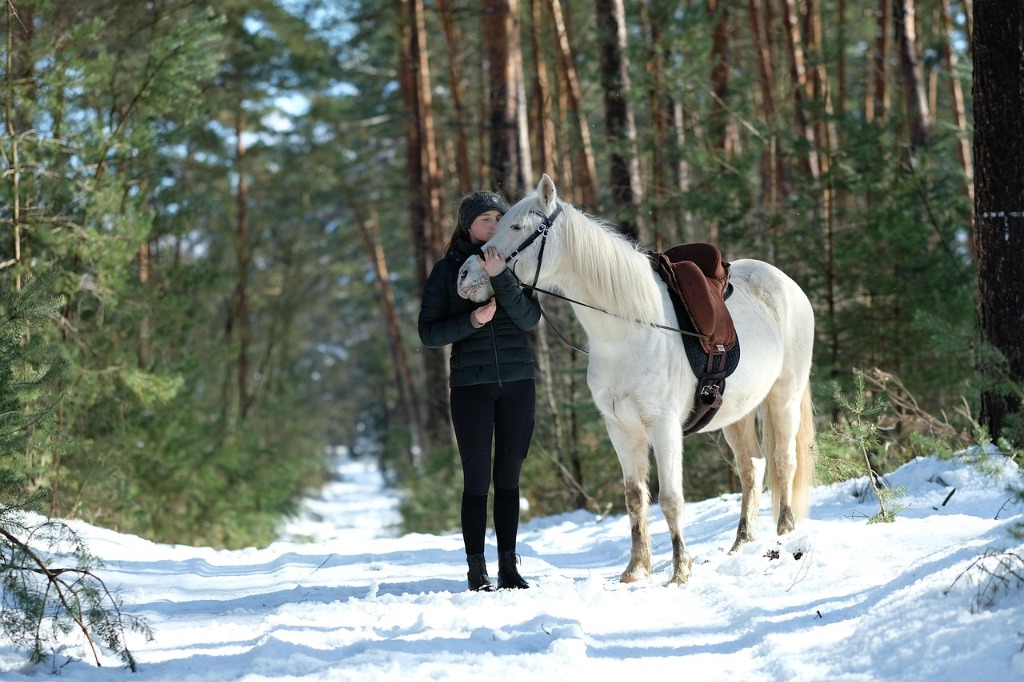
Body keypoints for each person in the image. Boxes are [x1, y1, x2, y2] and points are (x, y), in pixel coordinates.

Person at [418, 190, 541, 592]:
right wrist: (471, 321)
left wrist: (501, 275)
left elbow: (528, 320)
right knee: (476, 480)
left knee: (509, 476)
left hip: (518, 384)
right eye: (486, 218)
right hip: (471, 386)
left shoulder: (517, 264)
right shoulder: (446, 269)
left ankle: (509, 567)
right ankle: (477, 570)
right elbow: (428, 332)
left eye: (499, 217)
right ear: (469, 225)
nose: (494, 224)